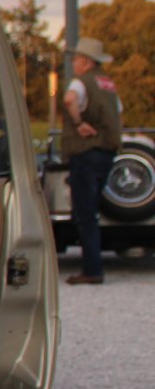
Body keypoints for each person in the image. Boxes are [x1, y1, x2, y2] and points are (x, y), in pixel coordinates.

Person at [61, 37, 123, 285]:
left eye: (76, 59)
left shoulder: (81, 82)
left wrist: (79, 123)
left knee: (85, 214)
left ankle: (92, 269)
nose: (74, 63)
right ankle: (93, 265)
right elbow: (119, 115)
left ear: (86, 61)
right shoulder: (108, 85)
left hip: (86, 152)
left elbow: (69, 100)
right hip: (107, 152)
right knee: (92, 210)